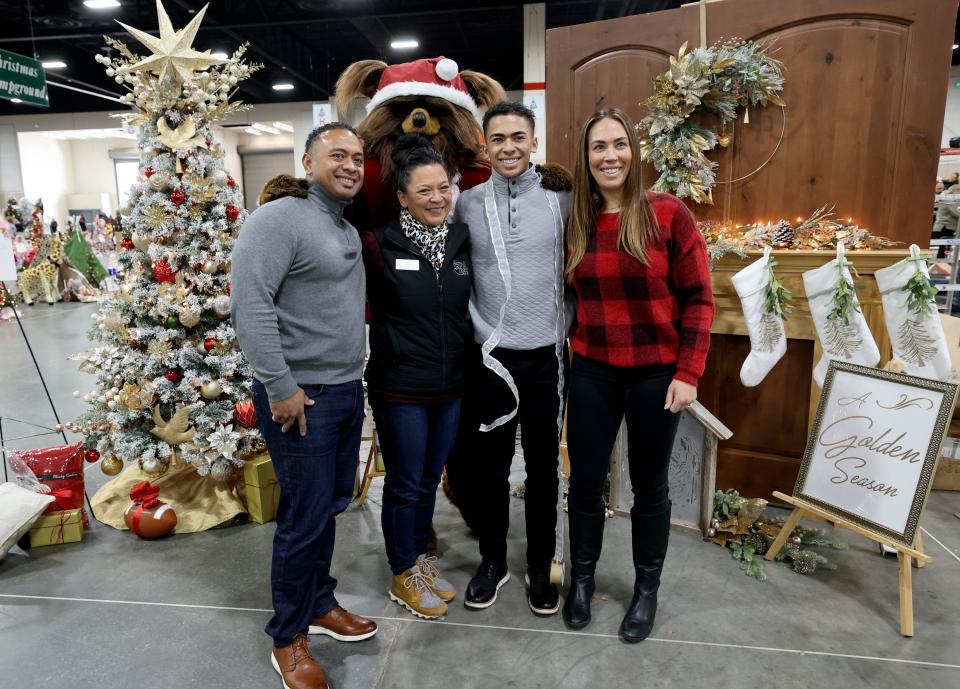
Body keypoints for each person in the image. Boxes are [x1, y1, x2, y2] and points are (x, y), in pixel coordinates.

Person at [231, 122, 377, 689]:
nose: (349, 165)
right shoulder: (277, 220)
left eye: (358, 158)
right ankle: (288, 636)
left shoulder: (339, 223)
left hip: (344, 389)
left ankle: (320, 602)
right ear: (308, 161)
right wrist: (280, 386)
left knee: (329, 506)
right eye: (337, 155)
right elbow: (251, 304)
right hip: (302, 398)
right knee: (302, 518)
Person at [563, 108, 714, 643]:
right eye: (598, 147)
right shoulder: (576, 221)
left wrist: (689, 371)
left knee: (650, 486)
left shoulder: (668, 214)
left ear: (634, 151)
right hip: (593, 373)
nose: (610, 156)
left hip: (655, 375)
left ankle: (645, 590)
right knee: (584, 482)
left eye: (619, 144)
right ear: (585, 158)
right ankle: (580, 579)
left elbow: (699, 299)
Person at [450, 101, 572, 616]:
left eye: (518, 137)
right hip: (490, 359)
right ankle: (494, 561)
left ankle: (541, 565)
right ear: (485, 144)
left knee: (544, 471)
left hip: (546, 357)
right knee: (488, 470)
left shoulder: (563, 200)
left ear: (534, 141)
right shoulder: (466, 204)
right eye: (498, 139)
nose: (508, 148)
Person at [360, 134, 474, 619]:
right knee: (405, 483)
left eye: (443, 187)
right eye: (424, 190)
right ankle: (402, 571)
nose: (436, 198)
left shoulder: (461, 240)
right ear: (403, 197)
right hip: (400, 389)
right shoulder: (380, 244)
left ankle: (420, 561)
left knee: (428, 480)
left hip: (450, 388)